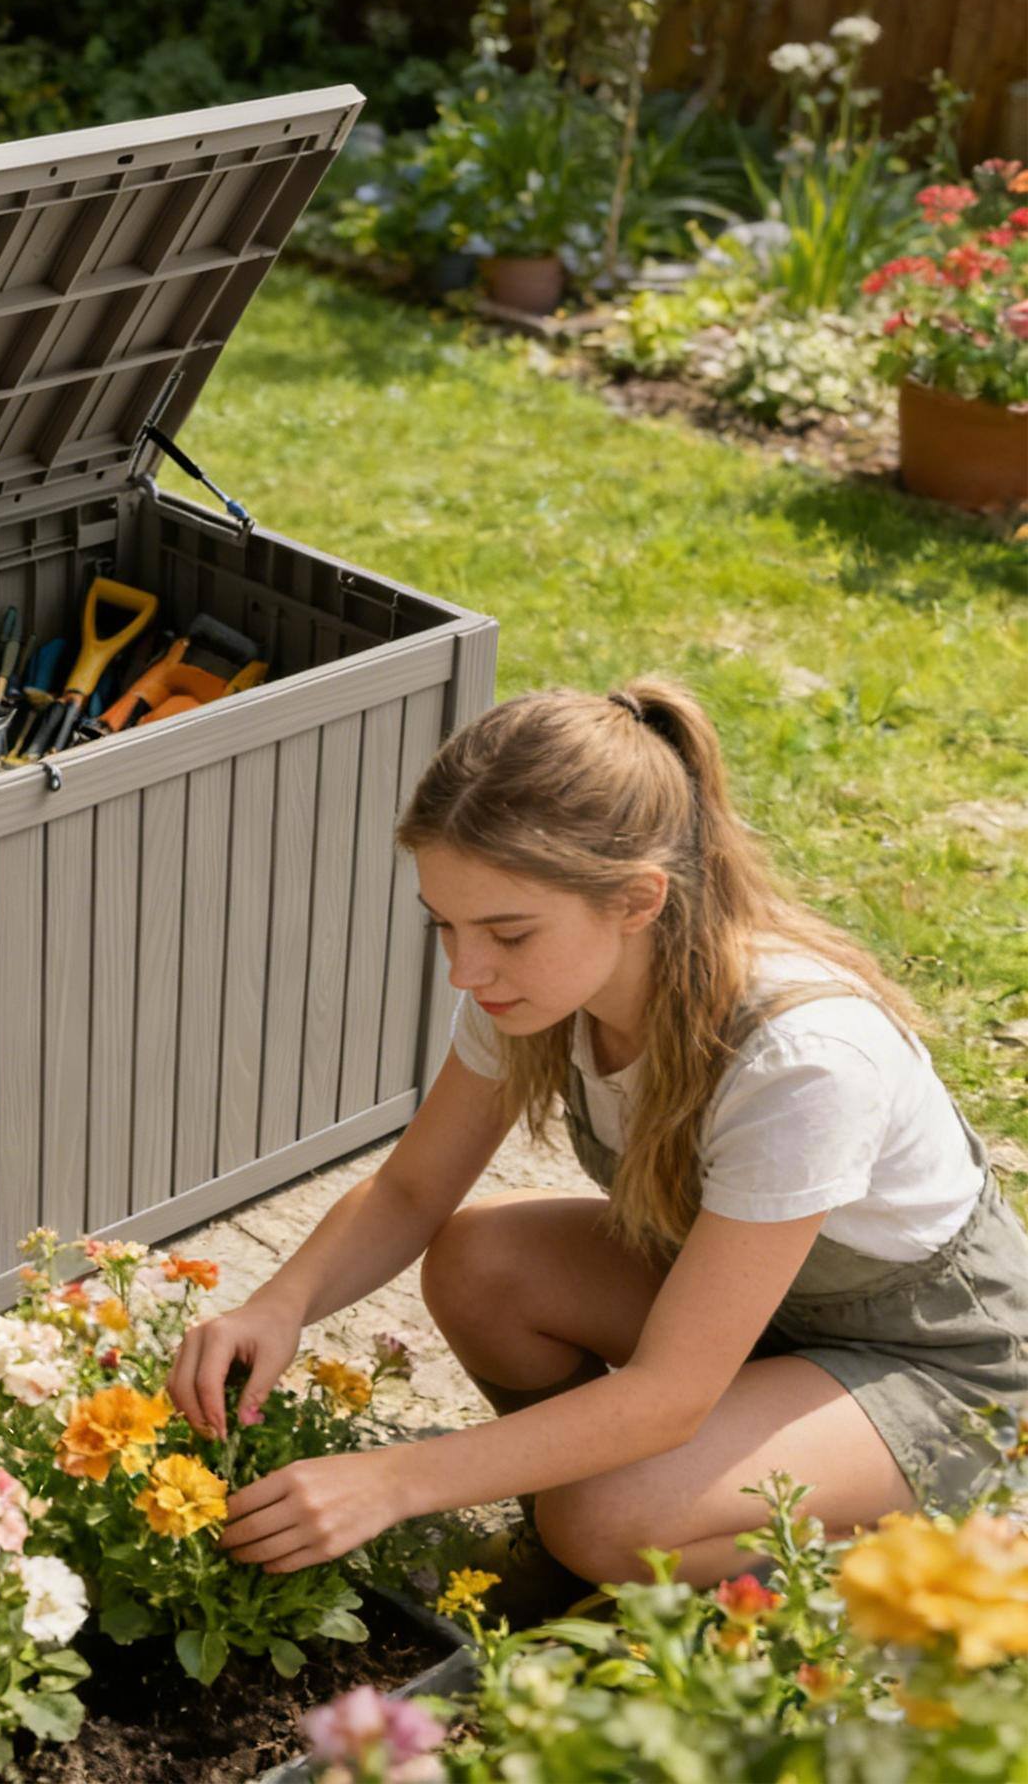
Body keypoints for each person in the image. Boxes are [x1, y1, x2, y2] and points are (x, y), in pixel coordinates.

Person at [166, 678, 1028, 1592]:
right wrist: (279, 1304)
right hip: (755, 1312)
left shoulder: (802, 1059)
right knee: (480, 1261)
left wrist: (396, 1480)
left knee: (603, 1515)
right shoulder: (538, 990)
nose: (467, 969)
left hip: (934, 1363)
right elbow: (413, 1193)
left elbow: (669, 1395)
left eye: (506, 932)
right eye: (446, 927)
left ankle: (911, 1556)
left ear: (636, 899)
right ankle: (644, 1520)